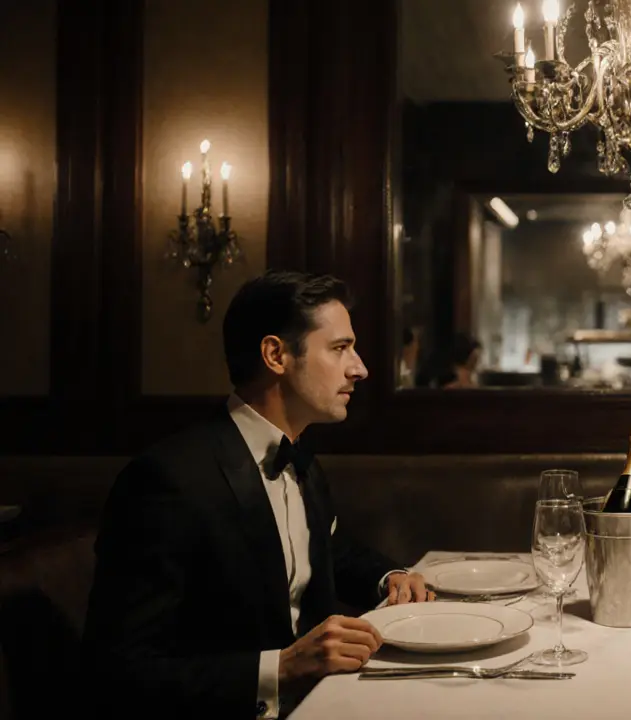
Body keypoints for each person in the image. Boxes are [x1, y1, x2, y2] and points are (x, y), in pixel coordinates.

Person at [82, 271, 433, 719]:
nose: (359, 367)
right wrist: (279, 669)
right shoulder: (168, 480)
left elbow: (325, 549)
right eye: (340, 348)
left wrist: (390, 578)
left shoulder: (301, 456)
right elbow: (114, 670)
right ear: (275, 355)